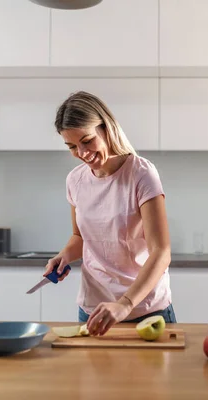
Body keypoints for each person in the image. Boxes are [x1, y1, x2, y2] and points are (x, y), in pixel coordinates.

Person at [43, 91, 176, 336]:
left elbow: (161, 252)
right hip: (94, 309)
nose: (82, 153)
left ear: (106, 128)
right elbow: (79, 237)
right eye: (72, 146)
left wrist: (124, 304)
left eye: (87, 140)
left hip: (143, 308)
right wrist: (64, 255)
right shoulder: (75, 180)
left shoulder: (141, 174)